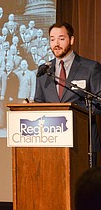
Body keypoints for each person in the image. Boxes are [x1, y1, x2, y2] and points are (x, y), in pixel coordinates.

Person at [35, 21, 101, 158]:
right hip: (51, 142)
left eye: (61, 38)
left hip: (83, 141)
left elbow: (99, 103)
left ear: (71, 40)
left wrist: (74, 112)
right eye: (52, 39)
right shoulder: (44, 71)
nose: (56, 44)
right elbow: (39, 102)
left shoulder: (90, 68)